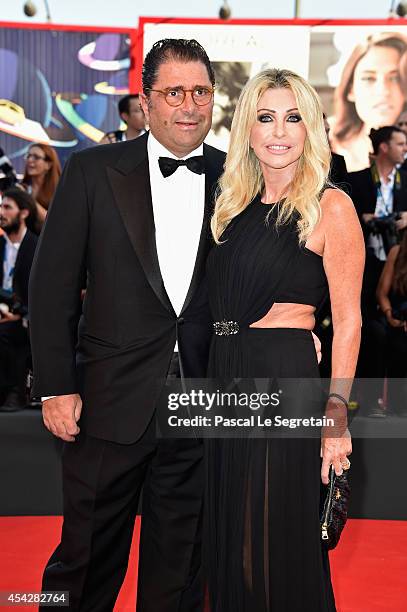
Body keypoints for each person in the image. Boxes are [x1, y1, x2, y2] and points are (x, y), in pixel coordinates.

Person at [28, 38, 225, 611]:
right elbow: (52, 287)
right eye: (173, 93)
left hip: (200, 407)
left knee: (182, 567)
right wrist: (57, 385)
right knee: (84, 561)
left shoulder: (237, 177)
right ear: (146, 100)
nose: (189, 105)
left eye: (201, 92)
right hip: (106, 403)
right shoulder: (93, 170)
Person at [205, 68, 364, 610]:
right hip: (225, 376)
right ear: (246, 128)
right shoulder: (229, 206)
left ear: (311, 128)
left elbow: (348, 321)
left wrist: (336, 419)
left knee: (268, 541)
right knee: (228, 538)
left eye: (293, 117)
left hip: (283, 380)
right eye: (265, 116)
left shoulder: (331, 206)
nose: (279, 131)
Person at [330, 32, 407, 172]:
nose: (383, 90)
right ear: (350, 89)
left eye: (394, 78)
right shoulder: (325, 140)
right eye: (368, 79)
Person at [0, 188, 38, 411]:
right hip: (4, 312)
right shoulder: (1, 246)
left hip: (28, 318)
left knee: (6, 333)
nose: (1, 212)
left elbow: (44, 293)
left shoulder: (37, 247)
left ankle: (14, 391)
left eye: (7, 207)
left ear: (23, 213)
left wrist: (19, 312)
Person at [22, 143, 61, 229]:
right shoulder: (22, 187)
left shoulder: (59, 191)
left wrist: (27, 198)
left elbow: (54, 222)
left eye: (36, 157)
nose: (30, 160)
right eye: (28, 156)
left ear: (48, 165)